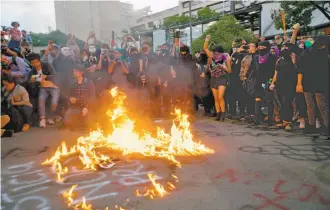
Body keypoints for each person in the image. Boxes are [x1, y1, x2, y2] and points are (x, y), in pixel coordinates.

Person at [298, 35, 329, 135]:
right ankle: (323, 126)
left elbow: (300, 68)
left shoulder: (307, 52)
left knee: (316, 105)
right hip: (318, 83)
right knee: (318, 105)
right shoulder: (324, 53)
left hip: (314, 82)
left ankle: (316, 125)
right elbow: (301, 69)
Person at [269, 43, 301, 131]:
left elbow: (299, 72)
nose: (284, 48)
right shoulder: (279, 60)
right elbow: (276, 73)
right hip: (279, 85)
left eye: (286, 47)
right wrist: (272, 83)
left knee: (287, 103)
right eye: (283, 47)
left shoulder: (294, 58)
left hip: (290, 84)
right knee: (281, 103)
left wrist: (299, 84)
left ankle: (288, 122)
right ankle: (284, 121)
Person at [203, 34, 232, 121]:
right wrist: (207, 40)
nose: (216, 54)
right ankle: (218, 114)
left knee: (220, 97)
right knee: (216, 98)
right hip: (213, 78)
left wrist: (225, 67)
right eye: (214, 52)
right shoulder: (211, 56)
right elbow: (205, 49)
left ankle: (223, 114)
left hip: (222, 78)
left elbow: (230, 71)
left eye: (217, 52)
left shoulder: (225, 57)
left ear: (221, 52)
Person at [27, 53, 60, 128]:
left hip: (53, 87)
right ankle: (42, 119)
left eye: (36, 62)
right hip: (42, 88)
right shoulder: (32, 72)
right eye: (33, 63)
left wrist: (46, 77)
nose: (35, 64)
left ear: (39, 60)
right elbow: (29, 82)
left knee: (54, 102)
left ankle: (51, 117)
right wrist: (32, 81)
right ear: (30, 63)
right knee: (41, 100)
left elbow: (55, 76)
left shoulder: (47, 65)